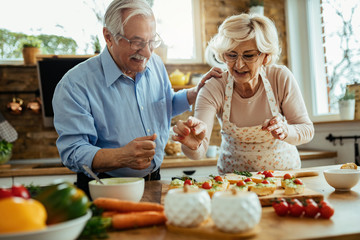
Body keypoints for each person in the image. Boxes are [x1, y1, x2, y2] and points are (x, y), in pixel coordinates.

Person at [52, 0, 222, 197]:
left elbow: (162, 104)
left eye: (151, 42)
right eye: (137, 43)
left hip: (153, 180)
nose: (148, 53)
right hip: (104, 187)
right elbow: (72, 152)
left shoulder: (155, 63)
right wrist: (121, 157)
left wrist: (194, 93)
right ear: (108, 36)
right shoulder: (75, 84)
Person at [172, 13, 314, 174]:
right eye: (231, 55)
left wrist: (286, 130)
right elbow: (198, 151)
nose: (239, 64)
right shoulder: (214, 87)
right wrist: (191, 144)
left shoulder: (280, 77)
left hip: (283, 179)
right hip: (235, 183)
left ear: (265, 56)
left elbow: (306, 130)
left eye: (249, 55)